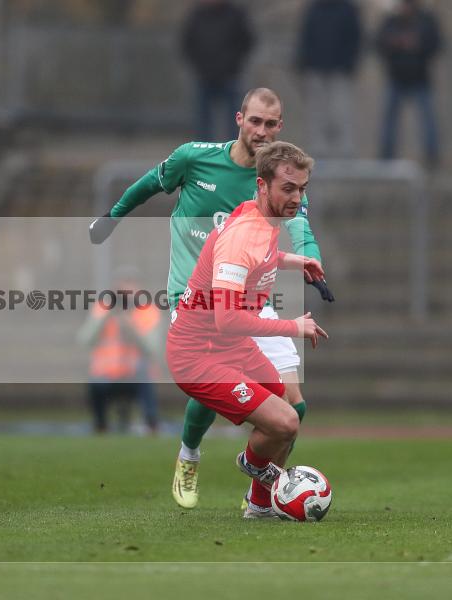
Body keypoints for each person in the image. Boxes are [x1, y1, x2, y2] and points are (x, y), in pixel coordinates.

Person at [89, 87, 334, 510]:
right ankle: (189, 455)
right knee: (210, 379)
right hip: (194, 294)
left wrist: (309, 264)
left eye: (270, 124)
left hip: (254, 293)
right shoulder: (195, 158)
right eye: (254, 121)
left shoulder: (281, 178)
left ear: (280, 128)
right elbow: (149, 184)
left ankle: (259, 499)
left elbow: (302, 231)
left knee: (294, 405)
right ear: (239, 120)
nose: (261, 131)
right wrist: (111, 218)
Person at [167, 141, 328, 519]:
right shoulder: (243, 235)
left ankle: (258, 505)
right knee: (284, 422)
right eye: (288, 188)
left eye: (302, 189)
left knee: (290, 410)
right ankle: (254, 465)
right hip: (199, 355)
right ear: (261, 185)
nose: (296, 197)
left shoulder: (258, 217)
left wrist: (294, 261)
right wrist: (294, 325)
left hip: (228, 346)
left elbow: (263, 256)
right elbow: (227, 319)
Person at [77, 275, 162, 435]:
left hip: (134, 376)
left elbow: (152, 349)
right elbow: (85, 339)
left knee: (145, 375)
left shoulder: (147, 311)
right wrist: (107, 316)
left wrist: (130, 325)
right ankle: (100, 425)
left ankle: (152, 424)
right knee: (95, 382)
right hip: (107, 375)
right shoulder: (103, 308)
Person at [376, 0, 443, 165]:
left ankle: (432, 156)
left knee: (427, 120)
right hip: (396, 78)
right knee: (389, 120)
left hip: (420, 78)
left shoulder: (426, 20)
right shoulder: (390, 21)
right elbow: (378, 43)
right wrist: (394, 43)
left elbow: (436, 44)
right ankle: (386, 156)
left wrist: (417, 44)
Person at [180, 0, 255, 141]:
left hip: (230, 77)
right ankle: (205, 157)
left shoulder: (236, 14)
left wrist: (234, 64)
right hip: (204, 77)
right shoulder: (196, 16)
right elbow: (186, 44)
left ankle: (234, 155)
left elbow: (247, 42)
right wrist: (199, 66)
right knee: (203, 124)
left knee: (235, 122)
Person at [295, 0, 362, 158]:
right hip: (316, 69)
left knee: (341, 111)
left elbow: (356, 37)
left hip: (340, 70)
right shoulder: (313, 9)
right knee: (317, 112)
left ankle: (345, 149)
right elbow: (305, 37)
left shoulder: (348, 9)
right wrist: (302, 62)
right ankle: (318, 149)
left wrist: (350, 63)